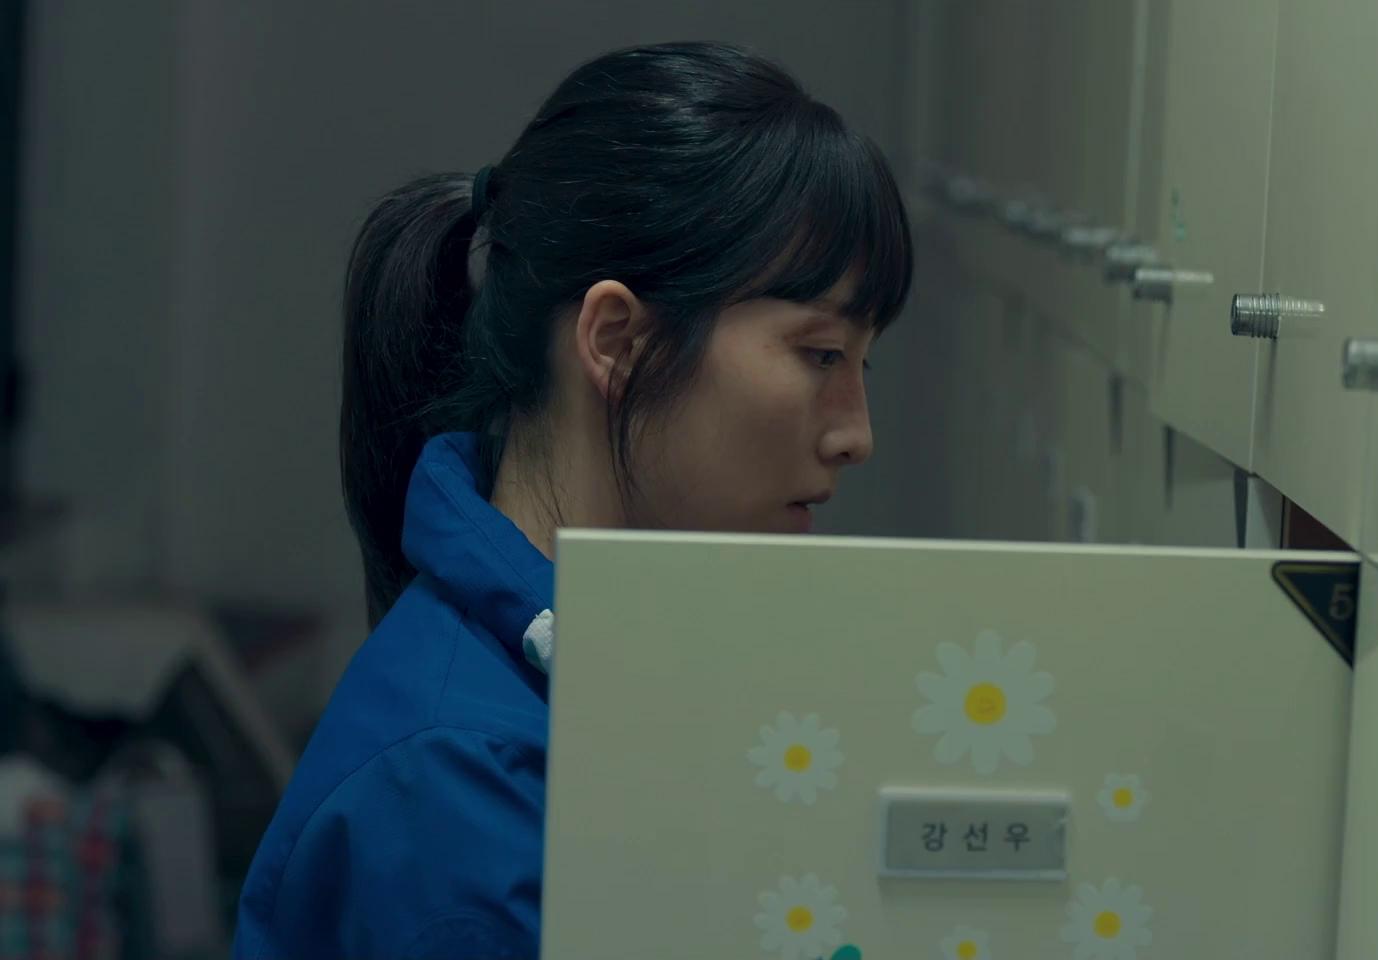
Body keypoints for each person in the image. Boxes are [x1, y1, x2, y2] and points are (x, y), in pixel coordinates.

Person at [232, 41, 913, 959]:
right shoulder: (462, 791)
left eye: (863, 365)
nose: (855, 435)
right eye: (821, 354)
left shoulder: (599, 670)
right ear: (617, 340)